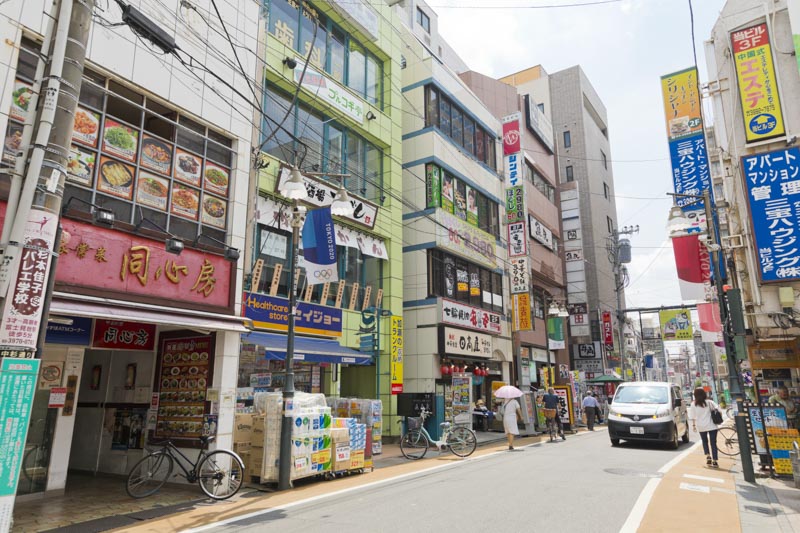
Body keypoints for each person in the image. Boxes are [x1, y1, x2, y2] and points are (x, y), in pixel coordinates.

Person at [690, 387, 720, 467]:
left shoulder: (693, 404)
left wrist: (693, 426)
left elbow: (693, 416)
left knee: (705, 441)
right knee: (713, 443)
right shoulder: (710, 402)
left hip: (701, 426)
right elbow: (718, 410)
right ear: (704, 394)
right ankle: (715, 461)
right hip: (712, 426)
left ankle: (708, 457)